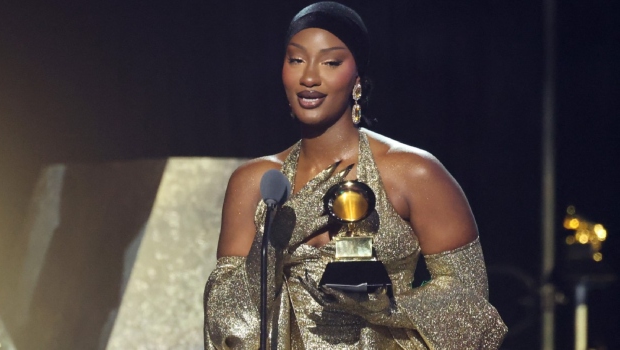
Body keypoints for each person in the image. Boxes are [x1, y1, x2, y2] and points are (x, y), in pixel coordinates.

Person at [204, 2, 507, 348]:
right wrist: (278, 237)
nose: (309, 77)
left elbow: (471, 303)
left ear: (357, 81)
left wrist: (386, 309)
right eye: (296, 60)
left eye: (331, 62)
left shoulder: (413, 172)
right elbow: (224, 317)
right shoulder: (257, 182)